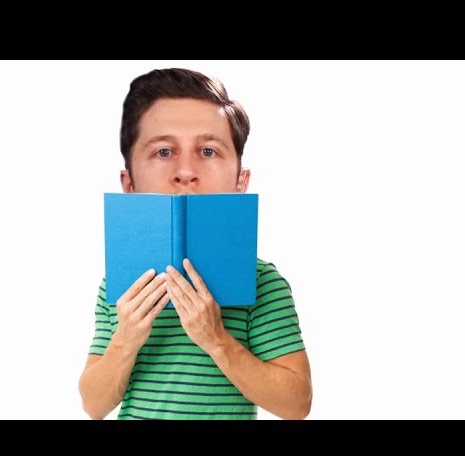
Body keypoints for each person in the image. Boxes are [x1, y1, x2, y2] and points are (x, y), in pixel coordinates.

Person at [78, 68, 312, 420]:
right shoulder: (120, 283)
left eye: (207, 150)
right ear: (129, 184)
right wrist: (126, 338)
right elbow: (93, 406)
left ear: (240, 181)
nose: (186, 172)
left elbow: (296, 405)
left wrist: (216, 338)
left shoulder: (261, 281)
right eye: (163, 151)